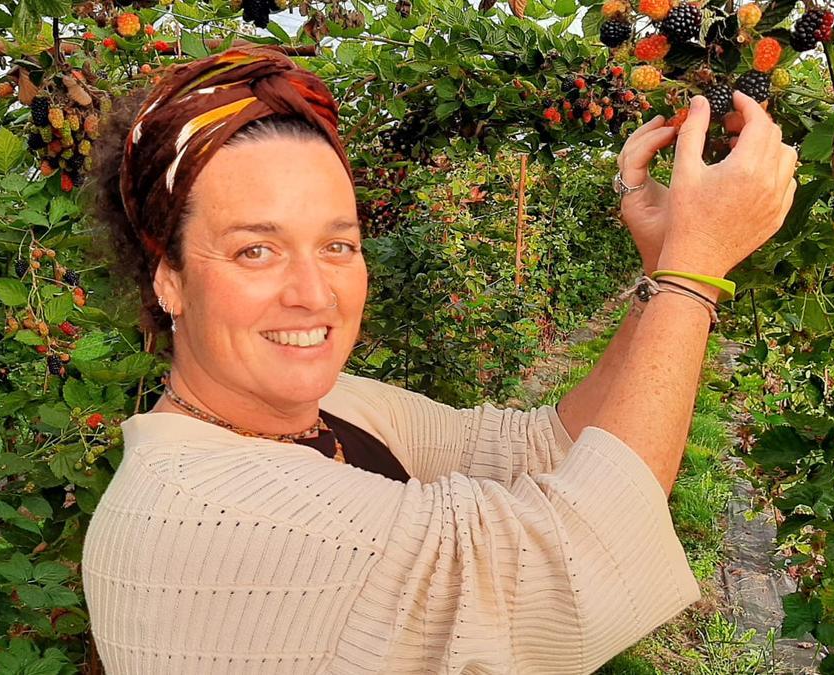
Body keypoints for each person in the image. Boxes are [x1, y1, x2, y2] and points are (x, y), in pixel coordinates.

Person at [80, 46, 797, 674]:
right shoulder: (210, 517)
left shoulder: (326, 408)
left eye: (337, 244)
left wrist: (655, 272)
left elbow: (539, 446)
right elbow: (577, 566)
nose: (312, 292)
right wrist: (693, 269)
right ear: (165, 275)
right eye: (254, 249)